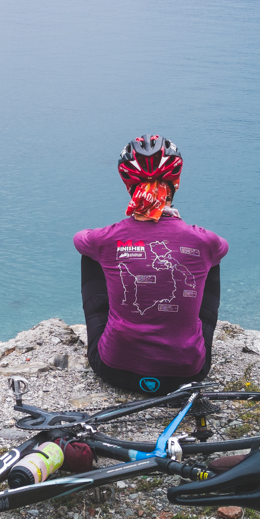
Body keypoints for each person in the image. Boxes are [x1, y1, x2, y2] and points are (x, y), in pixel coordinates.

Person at [73, 135, 228, 396]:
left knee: (91, 255)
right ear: (174, 184)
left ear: (129, 185)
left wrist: (136, 229)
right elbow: (222, 248)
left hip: (115, 370)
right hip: (187, 374)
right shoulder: (204, 239)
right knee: (210, 260)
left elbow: (80, 239)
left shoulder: (107, 238)